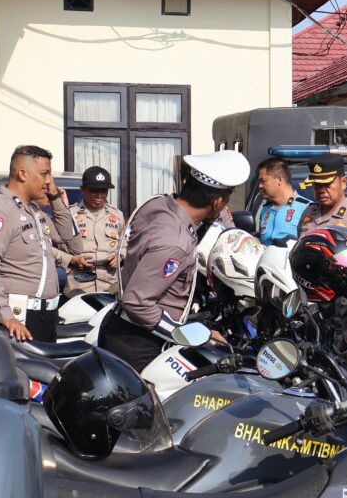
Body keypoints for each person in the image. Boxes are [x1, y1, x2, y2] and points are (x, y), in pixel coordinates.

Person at [99, 150, 249, 372]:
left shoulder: (158, 204)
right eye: (226, 199)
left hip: (123, 328)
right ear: (217, 202)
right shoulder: (174, 242)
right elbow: (137, 302)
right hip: (139, 341)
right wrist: (188, 335)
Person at [0, 145, 84, 343]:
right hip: (19, 317)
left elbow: (74, 246)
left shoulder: (33, 211)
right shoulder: (1, 211)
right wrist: (4, 313)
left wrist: (55, 199)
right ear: (22, 174)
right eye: (44, 173)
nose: (48, 181)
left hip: (45, 316)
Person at [59, 166, 125, 297]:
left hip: (110, 285)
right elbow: (55, 247)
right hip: (79, 286)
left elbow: (127, 243)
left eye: (104, 191)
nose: (99, 195)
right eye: (94, 191)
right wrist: (72, 259)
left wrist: (121, 256)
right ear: (82, 190)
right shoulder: (69, 215)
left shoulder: (117, 215)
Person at [298, 154, 347, 237]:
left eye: (326, 184)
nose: (321, 190)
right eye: (317, 184)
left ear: (343, 182)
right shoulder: (309, 211)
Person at [256, 157, 310, 245]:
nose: (260, 186)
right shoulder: (265, 209)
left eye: (263, 181)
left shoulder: (306, 208)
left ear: (279, 179)